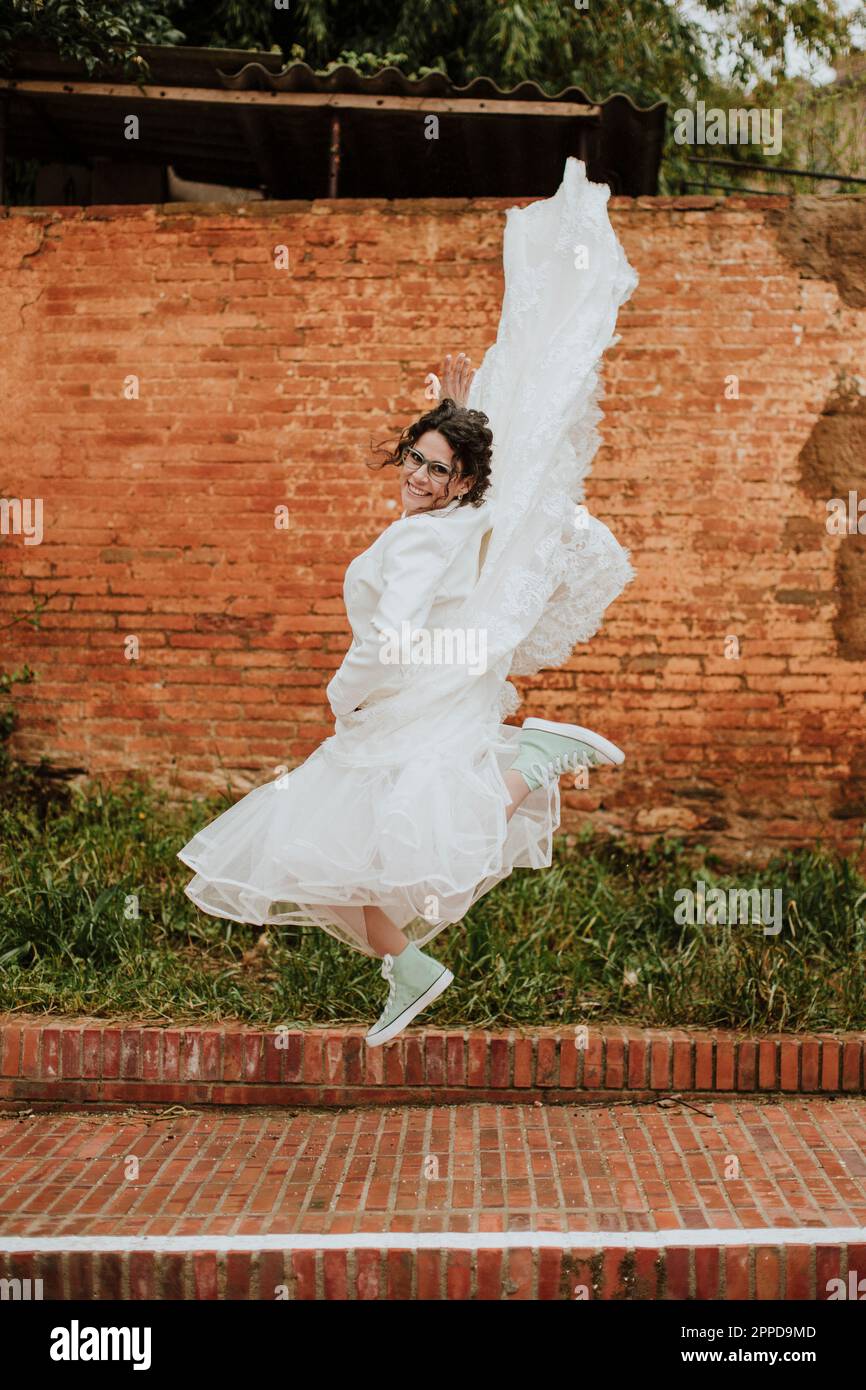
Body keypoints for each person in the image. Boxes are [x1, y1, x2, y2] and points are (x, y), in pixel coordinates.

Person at [177, 158, 638, 1047]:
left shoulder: (423, 539)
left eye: (440, 468)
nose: (421, 479)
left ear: (458, 481)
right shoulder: (461, 515)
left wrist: (345, 693)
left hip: (394, 699)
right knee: (334, 862)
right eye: (416, 461)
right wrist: (462, 412)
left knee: (354, 848)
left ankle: (527, 760)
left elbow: (390, 631)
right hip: (418, 694)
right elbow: (472, 500)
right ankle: (409, 969)